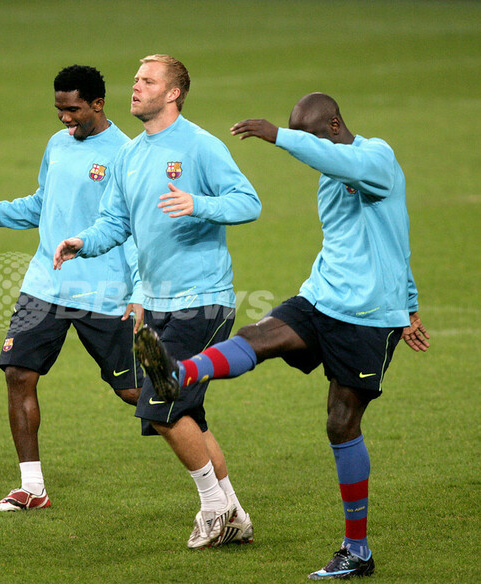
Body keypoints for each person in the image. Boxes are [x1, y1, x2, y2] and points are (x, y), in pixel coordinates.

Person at [134, 92, 429, 579]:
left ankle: (357, 550)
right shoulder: (329, 177)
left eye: (309, 137)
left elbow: (383, 220)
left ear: (334, 125)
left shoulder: (377, 158)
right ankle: (179, 373)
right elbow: (387, 236)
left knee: (341, 424)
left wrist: (405, 307)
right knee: (259, 335)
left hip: (369, 316)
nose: (305, 149)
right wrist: (413, 301)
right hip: (321, 297)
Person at [53, 55, 261, 547]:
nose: (136, 87)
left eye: (147, 81)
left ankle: (213, 509)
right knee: (189, 417)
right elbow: (115, 223)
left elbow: (248, 201)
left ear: (173, 93)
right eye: (135, 80)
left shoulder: (200, 145)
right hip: (158, 303)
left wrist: (198, 204)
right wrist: (84, 242)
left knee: (159, 406)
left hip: (204, 301)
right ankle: (234, 514)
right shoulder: (128, 155)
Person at [0, 65, 142, 511]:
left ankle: (199, 444)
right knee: (18, 373)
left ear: (98, 104)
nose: (64, 118)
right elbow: (41, 204)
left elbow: (132, 229)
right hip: (45, 285)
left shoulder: (126, 154)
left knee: (133, 391)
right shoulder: (57, 144)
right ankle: (32, 487)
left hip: (102, 291)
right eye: (59, 109)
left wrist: (138, 292)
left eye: (72, 109)